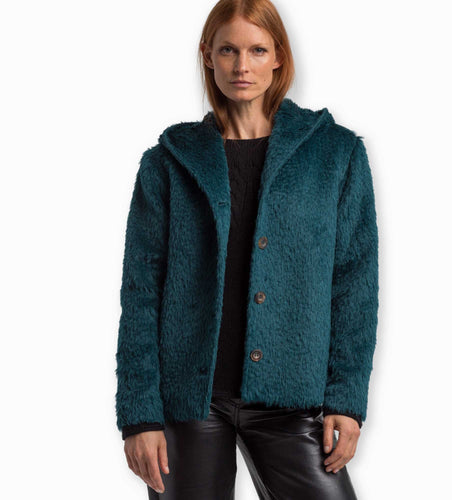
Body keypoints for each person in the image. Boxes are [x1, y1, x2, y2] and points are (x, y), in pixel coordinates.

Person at [114, 1, 379, 498]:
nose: (242, 66)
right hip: (188, 400)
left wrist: (347, 399)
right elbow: (141, 292)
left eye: (257, 50)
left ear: (278, 56)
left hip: (291, 401)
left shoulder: (335, 154)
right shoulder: (168, 162)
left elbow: (354, 285)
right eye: (228, 50)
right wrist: (139, 416)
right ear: (207, 55)